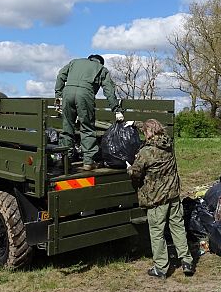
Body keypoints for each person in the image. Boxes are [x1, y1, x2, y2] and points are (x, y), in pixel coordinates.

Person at [126, 119, 195, 279]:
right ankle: (187, 261)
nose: (144, 134)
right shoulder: (168, 143)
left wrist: (129, 168)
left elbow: (136, 173)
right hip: (173, 195)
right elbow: (149, 128)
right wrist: (136, 123)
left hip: (157, 198)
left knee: (157, 232)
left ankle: (161, 268)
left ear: (149, 133)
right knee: (177, 227)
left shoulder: (146, 152)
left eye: (145, 132)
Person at [55, 54, 124, 171]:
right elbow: (109, 90)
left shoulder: (74, 62)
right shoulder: (101, 68)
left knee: (67, 128)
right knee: (87, 128)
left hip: (67, 93)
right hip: (85, 94)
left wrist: (58, 95)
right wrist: (116, 109)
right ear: (100, 62)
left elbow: (60, 76)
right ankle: (88, 162)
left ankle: (65, 160)